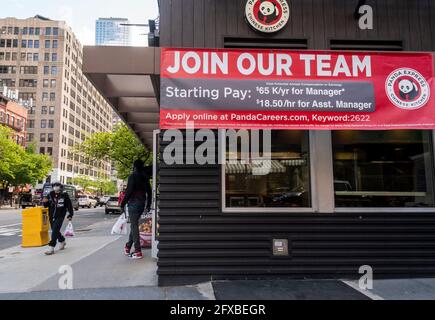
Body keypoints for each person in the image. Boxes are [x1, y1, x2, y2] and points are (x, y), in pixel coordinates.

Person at [121, 160, 152, 260]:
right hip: (141, 204)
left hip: (133, 204)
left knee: (134, 226)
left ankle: (138, 251)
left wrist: (122, 203)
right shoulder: (145, 177)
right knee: (134, 225)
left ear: (134, 166)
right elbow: (149, 192)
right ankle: (128, 246)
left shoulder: (133, 176)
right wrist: (148, 204)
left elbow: (129, 191)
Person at [43, 182, 74, 256]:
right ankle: (62, 240)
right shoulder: (50, 194)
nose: (56, 187)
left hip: (60, 215)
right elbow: (46, 205)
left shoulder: (64, 195)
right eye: (54, 186)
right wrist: (45, 202)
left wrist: (70, 214)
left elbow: (69, 205)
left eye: (57, 186)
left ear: (60, 187)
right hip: (51, 215)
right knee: (55, 230)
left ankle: (51, 247)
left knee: (55, 229)